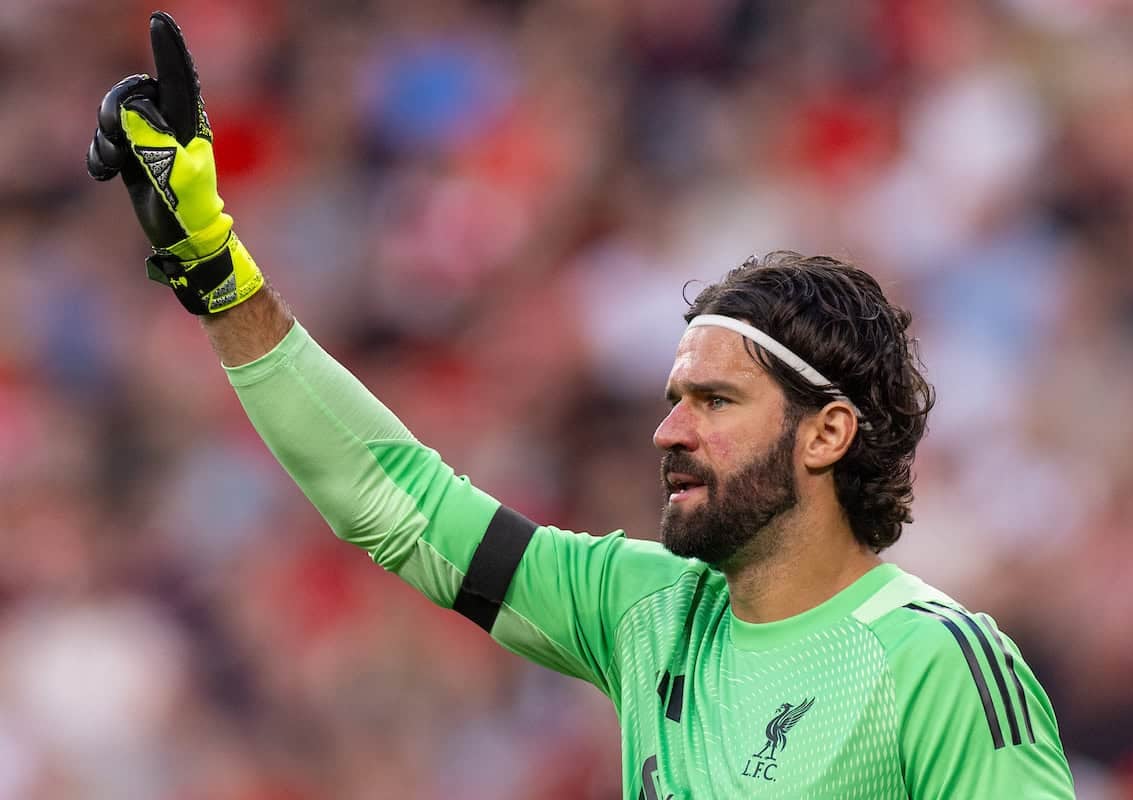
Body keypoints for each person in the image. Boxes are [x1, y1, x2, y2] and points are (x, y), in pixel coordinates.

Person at [87, 12, 1076, 799]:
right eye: (674, 396)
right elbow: (394, 502)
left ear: (826, 431)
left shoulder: (937, 660)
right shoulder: (642, 608)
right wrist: (215, 269)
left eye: (716, 400)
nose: (670, 428)